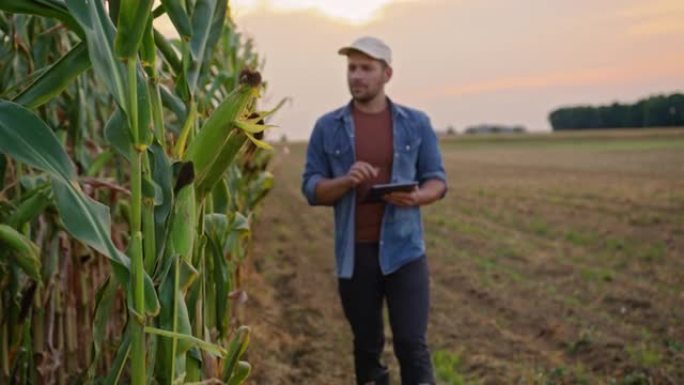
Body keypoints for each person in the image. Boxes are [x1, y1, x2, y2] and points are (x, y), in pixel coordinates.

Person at [301, 36, 447, 385]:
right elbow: (310, 188)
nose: (357, 76)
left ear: (387, 74)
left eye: (367, 68)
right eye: (352, 68)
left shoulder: (416, 123)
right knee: (367, 348)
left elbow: (436, 180)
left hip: (405, 252)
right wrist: (346, 181)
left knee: (412, 345)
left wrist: (417, 198)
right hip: (356, 256)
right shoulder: (327, 127)